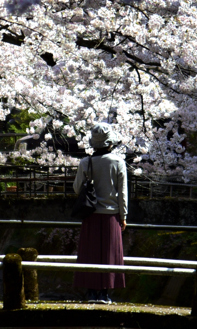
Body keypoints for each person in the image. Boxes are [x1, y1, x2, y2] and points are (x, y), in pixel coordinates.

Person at [73, 122, 128, 304]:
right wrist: (123, 215)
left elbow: (76, 188)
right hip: (111, 214)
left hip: (90, 215)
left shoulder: (85, 162)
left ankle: (91, 293)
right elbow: (123, 192)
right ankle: (104, 294)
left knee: (91, 253)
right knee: (109, 254)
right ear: (110, 142)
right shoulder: (118, 162)